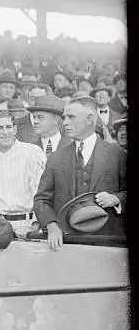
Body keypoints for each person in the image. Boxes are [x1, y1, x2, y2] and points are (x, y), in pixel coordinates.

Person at [34, 94, 126, 249]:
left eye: (71, 117)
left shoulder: (116, 154)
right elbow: (41, 200)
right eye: (64, 118)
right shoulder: (56, 158)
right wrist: (51, 224)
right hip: (68, 243)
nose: (65, 123)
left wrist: (116, 199)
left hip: (109, 242)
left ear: (90, 119)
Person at [0, 110, 47, 237]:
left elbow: (42, 192)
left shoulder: (33, 153)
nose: (5, 132)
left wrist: (34, 224)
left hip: (29, 225)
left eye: (9, 127)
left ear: (15, 129)